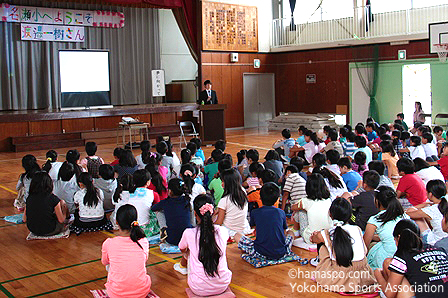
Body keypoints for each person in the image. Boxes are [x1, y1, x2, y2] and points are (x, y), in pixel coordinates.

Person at [310, 198, 376, 293]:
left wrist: (317, 235)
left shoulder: (326, 233)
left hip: (339, 278)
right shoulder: (357, 229)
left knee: (324, 246)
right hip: (363, 276)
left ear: (330, 214)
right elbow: (365, 251)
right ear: (349, 214)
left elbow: (313, 240)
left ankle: (321, 269)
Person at [175, 194, 232, 297]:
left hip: (198, 288)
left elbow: (182, 249)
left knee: (189, 252)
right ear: (214, 212)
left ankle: (183, 267)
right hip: (222, 285)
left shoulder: (189, 233)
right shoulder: (222, 231)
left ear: (195, 214)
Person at [374, 219, 448, 298]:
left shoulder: (402, 257)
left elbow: (390, 294)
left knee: (388, 263)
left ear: (399, 237)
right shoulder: (440, 250)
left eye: (395, 240)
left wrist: (377, 274)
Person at [235, 182, 296, 261]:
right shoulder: (281, 212)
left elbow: (254, 229)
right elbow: (284, 233)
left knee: (237, 235)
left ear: (260, 197)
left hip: (260, 252)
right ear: (277, 199)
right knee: (291, 232)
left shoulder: (255, 212)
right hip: (281, 252)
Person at [101, 204, 152, 298]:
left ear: (117, 222)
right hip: (142, 293)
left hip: (116, 294)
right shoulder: (143, 241)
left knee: (110, 265)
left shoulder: (109, 243)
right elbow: (144, 259)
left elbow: (105, 262)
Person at [364, 186, 409, 270]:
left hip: (384, 261)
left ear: (377, 201)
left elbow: (364, 245)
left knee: (372, 245)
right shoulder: (405, 216)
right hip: (405, 258)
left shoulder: (375, 219)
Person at [291, 173, 333, 244]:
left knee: (300, 210)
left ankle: (296, 230)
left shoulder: (306, 201)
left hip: (310, 238)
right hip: (326, 236)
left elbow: (293, 207)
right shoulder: (329, 199)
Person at [23, 171, 68, 236]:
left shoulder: (29, 198)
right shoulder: (53, 199)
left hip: (33, 229)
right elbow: (61, 220)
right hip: (50, 230)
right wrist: (64, 211)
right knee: (62, 203)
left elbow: (24, 219)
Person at [151, 178, 192, 246]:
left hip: (172, 239)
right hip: (188, 238)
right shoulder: (187, 200)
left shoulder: (165, 202)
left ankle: (163, 230)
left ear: (170, 191)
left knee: (159, 212)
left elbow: (153, 208)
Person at [406, 180, 448, 246]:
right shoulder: (444, 203)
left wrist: (424, 205)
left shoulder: (431, 209)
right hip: (445, 237)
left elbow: (408, 213)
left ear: (430, 194)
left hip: (435, 241)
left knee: (417, 217)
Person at [215, 168, 252, 237]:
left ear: (229, 183)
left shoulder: (224, 200)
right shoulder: (242, 191)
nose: (221, 184)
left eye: (223, 182)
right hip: (244, 229)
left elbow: (219, 223)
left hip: (230, 231)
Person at [282, 165, 307, 236]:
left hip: (298, 203)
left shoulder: (291, 177)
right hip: (304, 202)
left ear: (289, 172)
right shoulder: (300, 178)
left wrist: (282, 210)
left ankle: (297, 230)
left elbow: (285, 194)